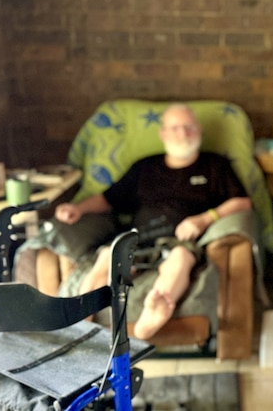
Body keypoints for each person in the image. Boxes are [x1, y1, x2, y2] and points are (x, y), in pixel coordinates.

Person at [54, 103, 252, 340]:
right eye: (175, 128)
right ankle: (79, 325)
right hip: (137, 238)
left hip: (179, 242)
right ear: (163, 134)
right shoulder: (144, 167)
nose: (183, 133)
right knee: (109, 255)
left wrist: (204, 219)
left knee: (180, 259)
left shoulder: (215, 165)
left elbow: (242, 203)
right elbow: (109, 199)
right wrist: (77, 208)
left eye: (189, 127)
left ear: (198, 130)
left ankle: (151, 317)